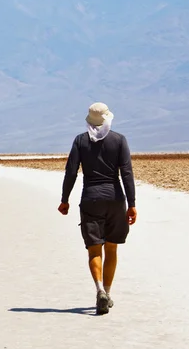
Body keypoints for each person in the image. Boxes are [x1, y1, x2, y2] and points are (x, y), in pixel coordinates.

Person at [58, 102, 137, 315]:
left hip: (91, 198)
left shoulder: (80, 141)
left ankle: (99, 289)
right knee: (111, 248)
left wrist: (64, 199)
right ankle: (108, 293)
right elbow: (127, 173)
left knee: (94, 248)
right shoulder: (119, 140)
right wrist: (132, 204)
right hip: (115, 198)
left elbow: (71, 172)